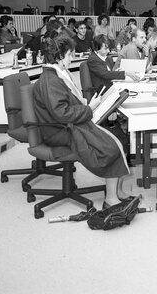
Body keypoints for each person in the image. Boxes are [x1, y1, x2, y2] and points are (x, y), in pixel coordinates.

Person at [33, 33, 131, 208]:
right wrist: (89, 108)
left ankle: (115, 193)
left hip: (67, 124)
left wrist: (85, 105)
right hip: (59, 130)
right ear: (60, 57)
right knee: (111, 146)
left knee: (118, 140)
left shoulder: (56, 75)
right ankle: (111, 198)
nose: (72, 58)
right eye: (70, 54)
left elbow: (65, 105)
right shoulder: (50, 80)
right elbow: (62, 113)